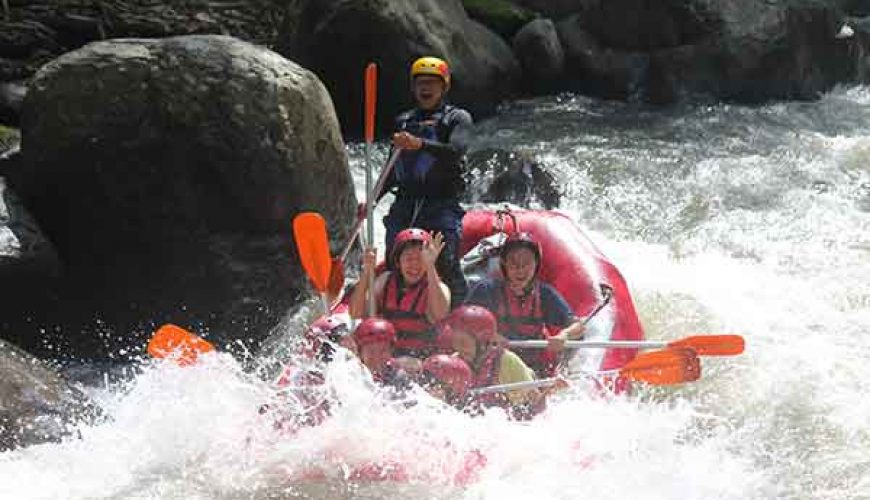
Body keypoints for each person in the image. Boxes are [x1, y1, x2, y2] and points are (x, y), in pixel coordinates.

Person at [377, 56, 473, 307]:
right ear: (413, 87)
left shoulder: (457, 118)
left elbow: (456, 150)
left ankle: (458, 316)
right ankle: (397, 316)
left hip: (440, 202)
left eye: (432, 83)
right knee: (395, 260)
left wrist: (420, 144)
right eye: (421, 83)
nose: (426, 88)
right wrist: (372, 200)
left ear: (444, 87)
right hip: (406, 202)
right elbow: (392, 168)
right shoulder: (404, 121)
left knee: (445, 262)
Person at [465, 232, 586, 377]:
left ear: (536, 264)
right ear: (504, 264)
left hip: (535, 366)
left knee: (575, 338)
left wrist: (564, 335)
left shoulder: (545, 294)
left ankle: (557, 375)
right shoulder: (487, 290)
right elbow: (462, 323)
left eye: (527, 263)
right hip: (497, 365)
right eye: (514, 263)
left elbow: (578, 325)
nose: (520, 269)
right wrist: (491, 335)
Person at [348, 228, 451, 358]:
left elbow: (439, 315)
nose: (414, 265)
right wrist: (367, 271)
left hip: (418, 360)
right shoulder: (385, 280)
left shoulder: (438, 288)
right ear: (398, 262)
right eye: (408, 259)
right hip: (386, 357)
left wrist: (430, 265)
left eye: (420, 259)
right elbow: (355, 312)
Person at [443, 305, 552, 419]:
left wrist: (548, 391)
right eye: (455, 342)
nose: (460, 349)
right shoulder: (455, 363)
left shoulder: (506, 361)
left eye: (464, 343)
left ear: (483, 342)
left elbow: (536, 406)